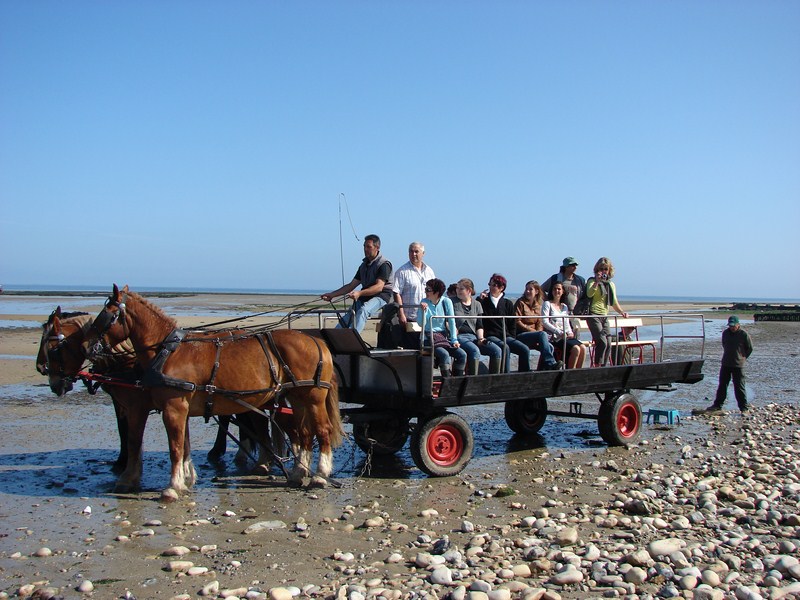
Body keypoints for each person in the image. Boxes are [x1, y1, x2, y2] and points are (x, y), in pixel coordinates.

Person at [321, 234, 394, 332]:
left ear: (377, 248)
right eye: (364, 246)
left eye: (369, 247)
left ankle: (352, 339)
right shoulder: (363, 266)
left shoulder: (384, 264)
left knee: (364, 310)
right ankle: (336, 336)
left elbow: (379, 287)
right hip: (365, 296)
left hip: (381, 296)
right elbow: (351, 285)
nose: (365, 249)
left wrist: (359, 293)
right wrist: (332, 295)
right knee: (350, 314)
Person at [478, 274, 532, 372]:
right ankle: (505, 375)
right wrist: (479, 299)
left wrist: (512, 336)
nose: (491, 287)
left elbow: (512, 323)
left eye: (494, 285)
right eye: (490, 284)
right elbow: (477, 314)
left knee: (524, 349)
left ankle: (524, 375)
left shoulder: (507, 303)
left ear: (501, 288)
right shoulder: (483, 302)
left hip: (506, 335)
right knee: (505, 348)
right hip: (491, 335)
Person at [418, 278, 467, 377]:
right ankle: (447, 382)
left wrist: (454, 340)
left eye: (428, 290)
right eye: (425, 289)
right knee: (444, 354)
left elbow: (451, 321)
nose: (425, 292)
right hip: (429, 337)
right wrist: (424, 311)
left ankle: (457, 381)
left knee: (462, 354)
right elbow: (420, 323)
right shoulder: (424, 301)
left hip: (443, 337)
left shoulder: (446, 301)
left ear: (437, 292)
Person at [453, 278, 503, 375]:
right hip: (459, 336)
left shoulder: (477, 304)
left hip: (473, 336)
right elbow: (447, 321)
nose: (457, 290)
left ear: (469, 290)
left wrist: (481, 338)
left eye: (461, 289)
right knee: (474, 350)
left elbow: (479, 324)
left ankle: (493, 380)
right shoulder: (452, 302)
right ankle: (473, 381)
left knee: (497, 350)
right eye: (457, 288)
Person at [704, 315, 753, 414]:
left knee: (739, 386)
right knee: (722, 385)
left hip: (738, 365)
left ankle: (743, 408)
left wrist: (742, 358)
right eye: (730, 325)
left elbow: (750, 348)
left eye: (733, 325)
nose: (731, 327)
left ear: (738, 325)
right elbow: (724, 345)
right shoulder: (725, 333)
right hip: (726, 363)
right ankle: (717, 405)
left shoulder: (744, 334)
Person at [585, 257, 628, 367]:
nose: (604, 271)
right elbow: (589, 294)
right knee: (602, 341)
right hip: (593, 314)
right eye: (601, 269)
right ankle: (597, 365)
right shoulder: (591, 281)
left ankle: (603, 365)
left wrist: (622, 312)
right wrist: (596, 283)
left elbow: (614, 302)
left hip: (604, 315)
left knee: (609, 342)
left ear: (609, 270)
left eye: (606, 269)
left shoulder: (610, 284)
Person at [392, 241, 435, 348]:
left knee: (427, 349)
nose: (414, 254)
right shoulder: (402, 271)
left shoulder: (429, 271)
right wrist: (401, 314)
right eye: (411, 251)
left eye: (416, 251)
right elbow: (396, 293)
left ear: (423, 253)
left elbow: (435, 293)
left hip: (427, 318)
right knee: (412, 349)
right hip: (410, 317)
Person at [514, 280, 562, 370]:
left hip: (535, 335)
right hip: (521, 335)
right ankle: (551, 363)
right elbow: (517, 321)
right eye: (526, 289)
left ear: (536, 291)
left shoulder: (539, 306)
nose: (527, 291)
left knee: (550, 346)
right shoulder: (520, 303)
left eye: (530, 289)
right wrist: (534, 332)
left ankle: (543, 370)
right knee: (542, 334)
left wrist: (538, 334)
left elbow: (540, 323)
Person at [542, 281, 587, 369]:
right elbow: (545, 321)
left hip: (566, 335)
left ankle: (578, 372)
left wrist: (570, 332)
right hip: (555, 337)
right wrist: (559, 332)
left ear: (563, 291)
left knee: (583, 348)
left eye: (559, 289)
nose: (557, 291)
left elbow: (566, 323)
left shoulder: (564, 306)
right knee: (575, 349)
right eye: (555, 289)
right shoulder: (547, 304)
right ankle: (570, 372)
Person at [541, 257, 586, 337]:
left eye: (576, 265)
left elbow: (584, 295)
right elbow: (541, 289)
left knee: (575, 335)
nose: (575, 267)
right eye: (572, 265)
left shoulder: (580, 280)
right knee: (560, 337)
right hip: (559, 313)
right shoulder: (556, 278)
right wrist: (549, 302)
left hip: (573, 313)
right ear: (566, 266)